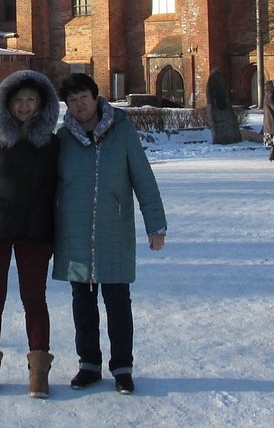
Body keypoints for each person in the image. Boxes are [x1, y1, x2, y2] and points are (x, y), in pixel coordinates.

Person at [53, 73, 166, 395]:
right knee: (82, 302)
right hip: (74, 232)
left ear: (96, 97)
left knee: (118, 302)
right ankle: (88, 364)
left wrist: (155, 226)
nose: (78, 106)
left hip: (114, 229)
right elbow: (49, 188)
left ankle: (122, 367)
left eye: (83, 98)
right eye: (72, 101)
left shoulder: (122, 131)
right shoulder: (62, 138)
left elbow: (143, 179)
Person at [0, 69, 61, 398]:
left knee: (35, 300)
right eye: (18, 100)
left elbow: (61, 190)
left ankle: (38, 373)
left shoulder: (51, 142)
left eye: (31, 100)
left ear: (41, 104)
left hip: (36, 231)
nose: (24, 106)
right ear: (6, 103)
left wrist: (59, 233)